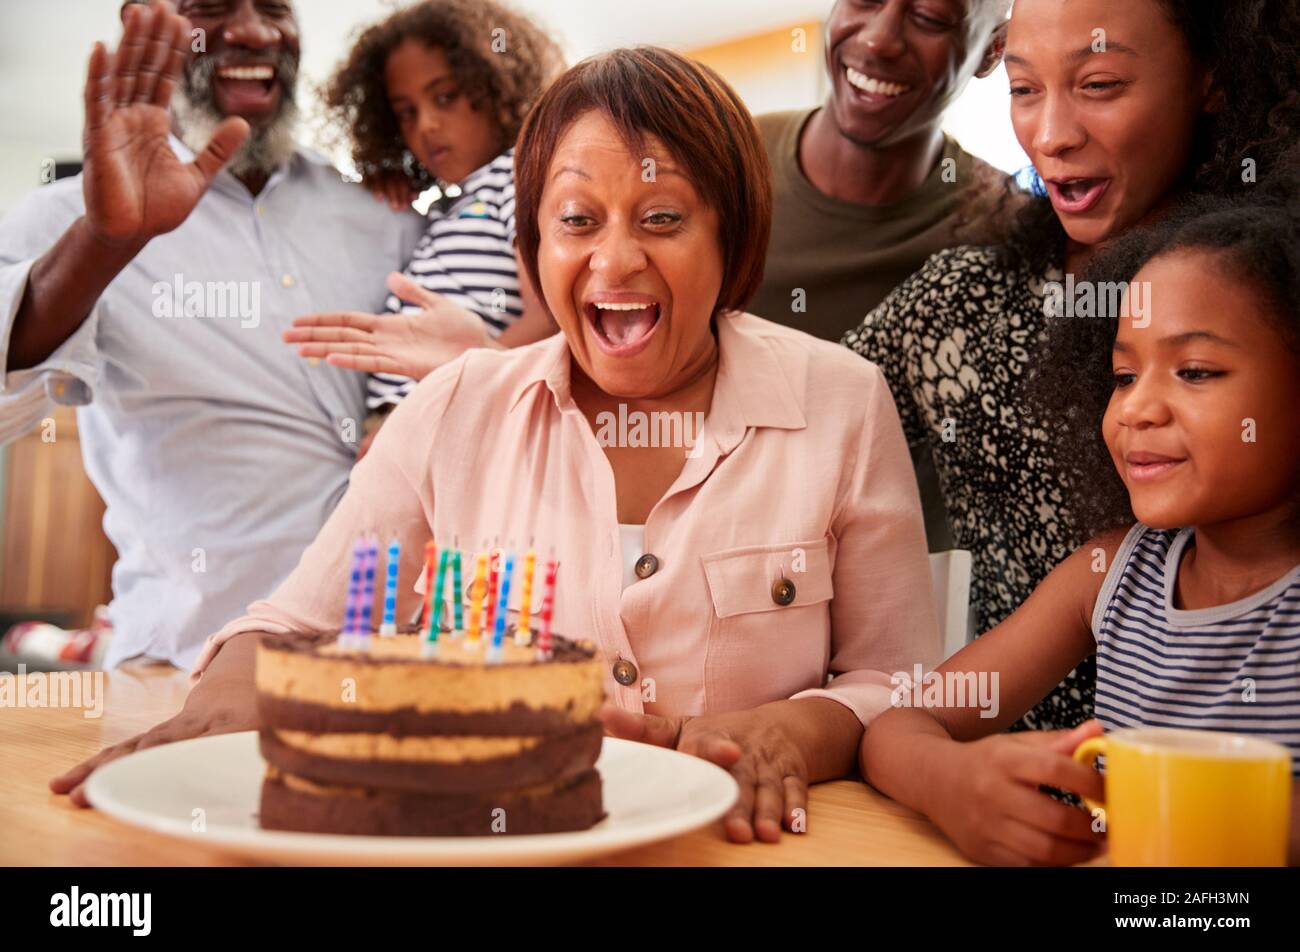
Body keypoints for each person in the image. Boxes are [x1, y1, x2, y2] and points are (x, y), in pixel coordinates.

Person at [52, 47, 942, 844]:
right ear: (533, 242)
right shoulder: (455, 407)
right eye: (578, 220)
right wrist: (228, 701)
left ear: (735, 234)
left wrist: (802, 728)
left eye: (663, 218)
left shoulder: (840, 401)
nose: (616, 260)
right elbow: (289, 626)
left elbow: (898, 680)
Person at [842, 0, 1300, 730]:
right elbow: (795, 427)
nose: (1050, 137)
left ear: (1211, 77)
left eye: (1100, 85)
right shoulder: (958, 303)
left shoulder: (1273, 294)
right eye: (1024, 90)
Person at [859, 184, 1300, 866]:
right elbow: (900, 725)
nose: (1137, 410)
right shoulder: (1109, 576)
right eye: (1124, 376)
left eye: (1196, 371)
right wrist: (953, 781)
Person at [0, 0, 422, 669]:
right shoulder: (68, 219)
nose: (254, 31)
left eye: (274, 8)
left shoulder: (382, 211)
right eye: (215, 6)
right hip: (182, 667)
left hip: (389, 665)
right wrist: (109, 241)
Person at [749, 0, 1021, 550]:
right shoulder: (723, 167)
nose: (878, 40)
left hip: (898, 594)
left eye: (930, 18)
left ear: (993, 50)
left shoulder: (1011, 234)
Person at [283, 0, 562, 423]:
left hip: (458, 412)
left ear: (496, 86)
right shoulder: (450, 206)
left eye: (445, 97)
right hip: (404, 419)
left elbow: (547, 318)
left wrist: (447, 399)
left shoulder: (519, 174)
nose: (426, 125)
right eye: (406, 113)